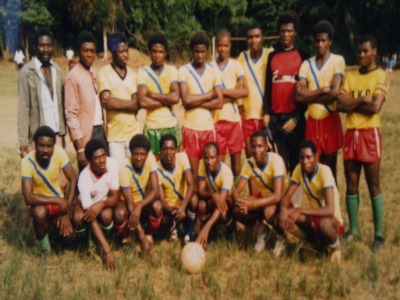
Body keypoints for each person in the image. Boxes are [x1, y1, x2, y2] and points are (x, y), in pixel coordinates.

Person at [337, 34, 389, 250]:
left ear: (375, 52)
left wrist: (352, 103)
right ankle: (355, 230)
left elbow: (375, 107)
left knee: (373, 185)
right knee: (351, 185)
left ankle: (378, 235)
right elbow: (340, 104)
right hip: (351, 134)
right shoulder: (350, 76)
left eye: (366, 51)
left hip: (369, 134)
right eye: (359, 51)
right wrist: (361, 100)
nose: (362, 55)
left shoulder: (381, 76)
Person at [276, 139, 343, 262]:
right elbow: (285, 199)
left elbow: (329, 210)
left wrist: (301, 210)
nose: (305, 161)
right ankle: (310, 240)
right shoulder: (299, 170)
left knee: (324, 224)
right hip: (314, 218)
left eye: (309, 157)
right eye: (302, 158)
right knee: (283, 214)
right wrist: (283, 211)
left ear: (316, 157)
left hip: (331, 220)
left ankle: (335, 248)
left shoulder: (325, 171)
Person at [296, 21, 345, 180]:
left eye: (324, 40)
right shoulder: (306, 64)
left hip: (329, 119)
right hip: (312, 121)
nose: (320, 44)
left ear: (330, 41)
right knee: (314, 172)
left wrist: (310, 95)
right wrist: (322, 90)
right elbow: (299, 96)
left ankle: (333, 205)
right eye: (317, 40)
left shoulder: (337, 60)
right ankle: (318, 205)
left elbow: (333, 93)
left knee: (330, 172)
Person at [263, 11, 309, 173]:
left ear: (295, 32)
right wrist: (267, 117)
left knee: (296, 168)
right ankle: (281, 199)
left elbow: (307, 93)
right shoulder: (272, 56)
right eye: (282, 31)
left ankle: (294, 200)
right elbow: (268, 90)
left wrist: (297, 117)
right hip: (276, 121)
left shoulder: (303, 55)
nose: (285, 34)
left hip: (295, 121)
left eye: (289, 31)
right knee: (278, 168)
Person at [21, 126, 77, 255]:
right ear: (35, 145)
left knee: (68, 235)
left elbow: (73, 178)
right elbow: (28, 197)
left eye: (49, 146)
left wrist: (66, 212)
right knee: (39, 213)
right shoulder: (27, 162)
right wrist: (57, 199)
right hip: (39, 202)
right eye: (41, 146)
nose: (45, 150)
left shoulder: (59, 152)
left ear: (54, 145)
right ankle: (45, 250)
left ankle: (56, 235)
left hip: (58, 204)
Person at [178, 31, 223, 179]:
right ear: (192, 51)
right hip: (191, 129)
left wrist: (195, 102)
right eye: (196, 51)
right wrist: (208, 95)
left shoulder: (213, 71)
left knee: (210, 174)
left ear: (207, 52)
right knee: (194, 174)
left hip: (208, 129)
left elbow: (220, 102)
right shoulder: (184, 71)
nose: (199, 55)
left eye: (203, 52)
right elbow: (185, 99)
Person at [233, 131, 286, 252]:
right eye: (253, 146)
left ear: (266, 147)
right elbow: (237, 191)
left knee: (268, 211)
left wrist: (253, 204)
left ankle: (281, 237)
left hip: (282, 201)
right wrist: (240, 202)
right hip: (264, 198)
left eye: (260, 146)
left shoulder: (275, 160)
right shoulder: (249, 163)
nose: (256, 150)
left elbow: (277, 196)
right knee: (237, 210)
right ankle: (262, 232)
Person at [18, 28, 67, 158]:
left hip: (57, 135)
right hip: (38, 137)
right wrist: (23, 141)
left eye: (49, 46)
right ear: (35, 47)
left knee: (58, 176)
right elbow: (24, 108)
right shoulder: (27, 72)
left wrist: (63, 134)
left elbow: (63, 102)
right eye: (42, 45)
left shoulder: (57, 70)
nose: (46, 50)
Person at [72, 139, 119, 270]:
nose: (102, 160)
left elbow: (115, 197)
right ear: (89, 161)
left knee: (106, 216)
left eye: (103, 155)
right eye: (97, 158)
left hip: (103, 201)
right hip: (87, 206)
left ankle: (105, 239)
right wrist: (108, 251)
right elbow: (90, 216)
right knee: (79, 217)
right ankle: (86, 242)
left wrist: (102, 204)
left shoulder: (113, 164)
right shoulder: (84, 177)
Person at [65, 30, 107, 171]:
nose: (89, 54)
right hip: (86, 134)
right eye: (85, 51)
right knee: (87, 175)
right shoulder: (73, 77)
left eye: (92, 51)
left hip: (100, 130)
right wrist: (80, 148)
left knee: (103, 174)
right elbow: (71, 115)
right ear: (79, 51)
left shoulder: (94, 73)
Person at [114, 134, 160, 255]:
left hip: (141, 201)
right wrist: (141, 238)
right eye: (136, 154)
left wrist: (140, 206)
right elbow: (129, 203)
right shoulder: (124, 167)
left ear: (147, 154)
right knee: (119, 213)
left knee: (157, 206)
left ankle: (149, 234)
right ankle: (126, 238)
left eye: (142, 154)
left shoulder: (151, 158)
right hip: (126, 202)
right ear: (131, 153)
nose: (139, 158)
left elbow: (155, 190)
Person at [138, 32, 181, 160]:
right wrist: (166, 100)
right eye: (154, 51)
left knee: (173, 166)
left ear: (166, 53)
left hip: (171, 126)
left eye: (161, 52)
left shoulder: (172, 71)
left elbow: (175, 98)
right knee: (154, 169)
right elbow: (143, 102)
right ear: (149, 52)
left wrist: (153, 95)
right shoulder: (143, 72)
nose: (157, 55)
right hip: (152, 127)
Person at [98, 32, 139, 165]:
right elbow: (106, 102)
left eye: (126, 51)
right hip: (115, 136)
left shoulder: (133, 74)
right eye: (121, 51)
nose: (125, 55)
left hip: (133, 133)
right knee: (118, 175)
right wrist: (130, 104)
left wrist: (116, 102)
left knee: (133, 172)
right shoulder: (104, 72)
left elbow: (137, 105)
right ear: (113, 52)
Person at [213, 29, 248, 180]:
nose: (223, 49)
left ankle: (235, 196)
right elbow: (212, 96)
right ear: (216, 47)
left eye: (226, 46)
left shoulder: (236, 65)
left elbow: (245, 91)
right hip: (216, 121)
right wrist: (234, 92)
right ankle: (221, 198)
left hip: (234, 121)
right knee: (218, 165)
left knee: (236, 166)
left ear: (230, 46)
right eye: (220, 46)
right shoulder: (210, 67)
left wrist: (222, 93)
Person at [157, 134, 197, 242]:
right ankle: (173, 227)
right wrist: (173, 210)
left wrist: (183, 206)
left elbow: (192, 184)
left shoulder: (182, 157)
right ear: (160, 150)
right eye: (165, 149)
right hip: (170, 208)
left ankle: (189, 233)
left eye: (171, 149)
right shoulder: (156, 169)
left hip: (184, 202)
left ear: (176, 150)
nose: (168, 153)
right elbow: (162, 200)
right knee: (160, 211)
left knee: (194, 199)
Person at [238, 24, 270, 157]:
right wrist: (239, 104)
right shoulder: (242, 57)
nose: (254, 40)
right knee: (251, 157)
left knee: (267, 157)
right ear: (246, 40)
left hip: (265, 116)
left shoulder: (269, 54)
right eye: (250, 37)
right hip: (248, 116)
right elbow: (238, 82)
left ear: (262, 38)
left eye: (257, 36)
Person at [196, 142, 235, 246]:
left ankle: (231, 229)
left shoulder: (226, 173)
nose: (209, 161)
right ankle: (212, 232)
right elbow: (200, 191)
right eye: (206, 158)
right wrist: (213, 195)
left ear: (218, 157)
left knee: (222, 213)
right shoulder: (202, 164)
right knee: (200, 204)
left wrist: (206, 227)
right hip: (214, 200)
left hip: (227, 204)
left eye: (212, 158)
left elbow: (221, 204)